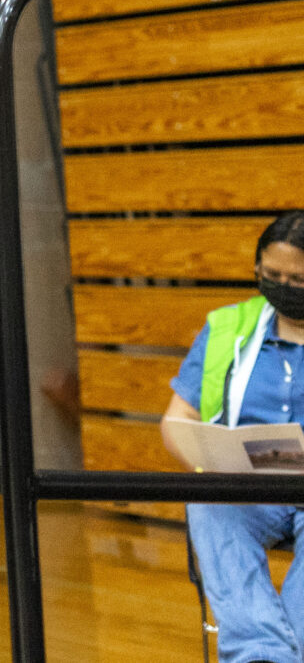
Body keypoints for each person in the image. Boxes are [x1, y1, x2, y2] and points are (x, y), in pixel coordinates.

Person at [165, 210, 304, 662]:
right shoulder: (227, 327)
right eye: (272, 275)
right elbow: (176, 419)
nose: (284, 287)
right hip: (248, 485)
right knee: (207, 500)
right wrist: (202, 450)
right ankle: (264, 655)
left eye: (298, 280)